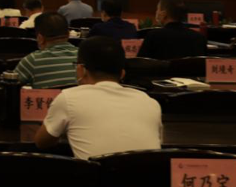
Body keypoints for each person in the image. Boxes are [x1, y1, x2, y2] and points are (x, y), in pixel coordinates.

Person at [35, 36, 163, 160]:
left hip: (98, 174)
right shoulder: (150, 102)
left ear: (81, 69)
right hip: (148, 175)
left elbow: (41, 142)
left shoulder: (68, 98)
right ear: (122, 74)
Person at [14, 12, 79, 88]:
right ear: (68, 34)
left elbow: (10, 86)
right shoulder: (84, 56)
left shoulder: (32, 60)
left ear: (40, 38)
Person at [137, 0, 207, 60]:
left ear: (164, 13)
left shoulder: (153, 36)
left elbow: (141, 63)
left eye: (158, 9)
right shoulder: (199, 38)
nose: (156, 12)